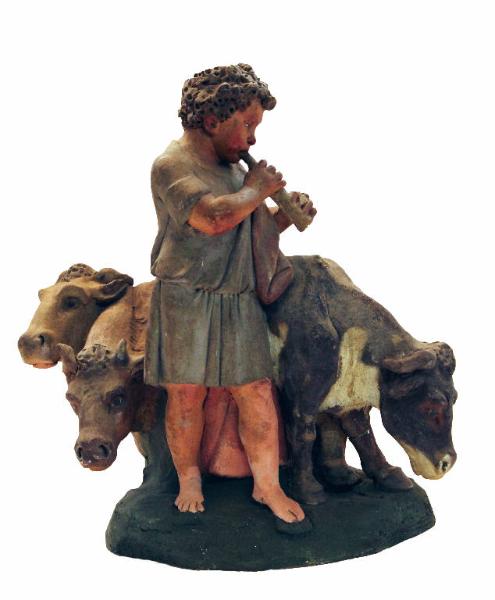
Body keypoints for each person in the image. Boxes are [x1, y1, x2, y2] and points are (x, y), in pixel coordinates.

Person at [144, 64, 316, 524]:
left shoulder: (237, 168)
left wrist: (283, 216)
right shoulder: (172, 165)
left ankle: (267, 485)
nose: (252, 139)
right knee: (186, 395)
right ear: (211, 121)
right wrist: (257, 189)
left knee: (256, 392)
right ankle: (189, 478)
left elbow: (246, 230)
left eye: (256, 127)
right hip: (186, 298)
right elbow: (213, 218)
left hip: (238, 297)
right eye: (247, 125)